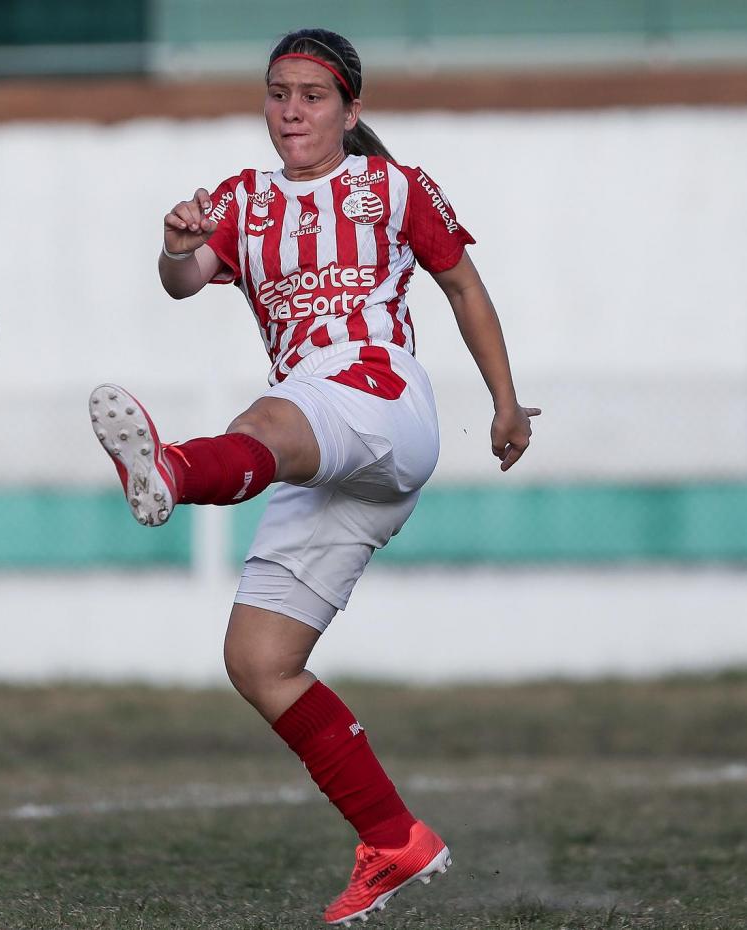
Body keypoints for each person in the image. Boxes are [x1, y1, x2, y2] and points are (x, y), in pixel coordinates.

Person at [90, 27, 540, 926]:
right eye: (278, 93)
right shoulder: (241, 200)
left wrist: (505, 402)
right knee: (259, 662)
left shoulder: (393, 187)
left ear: (350, 109)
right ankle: (394, 839)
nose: (292, 110)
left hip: (380, 394)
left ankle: (174, 470)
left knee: (264, 424)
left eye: (312, 95)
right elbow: (183, 281)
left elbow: (464, 288)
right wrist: (177, 245)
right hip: (324, 444)